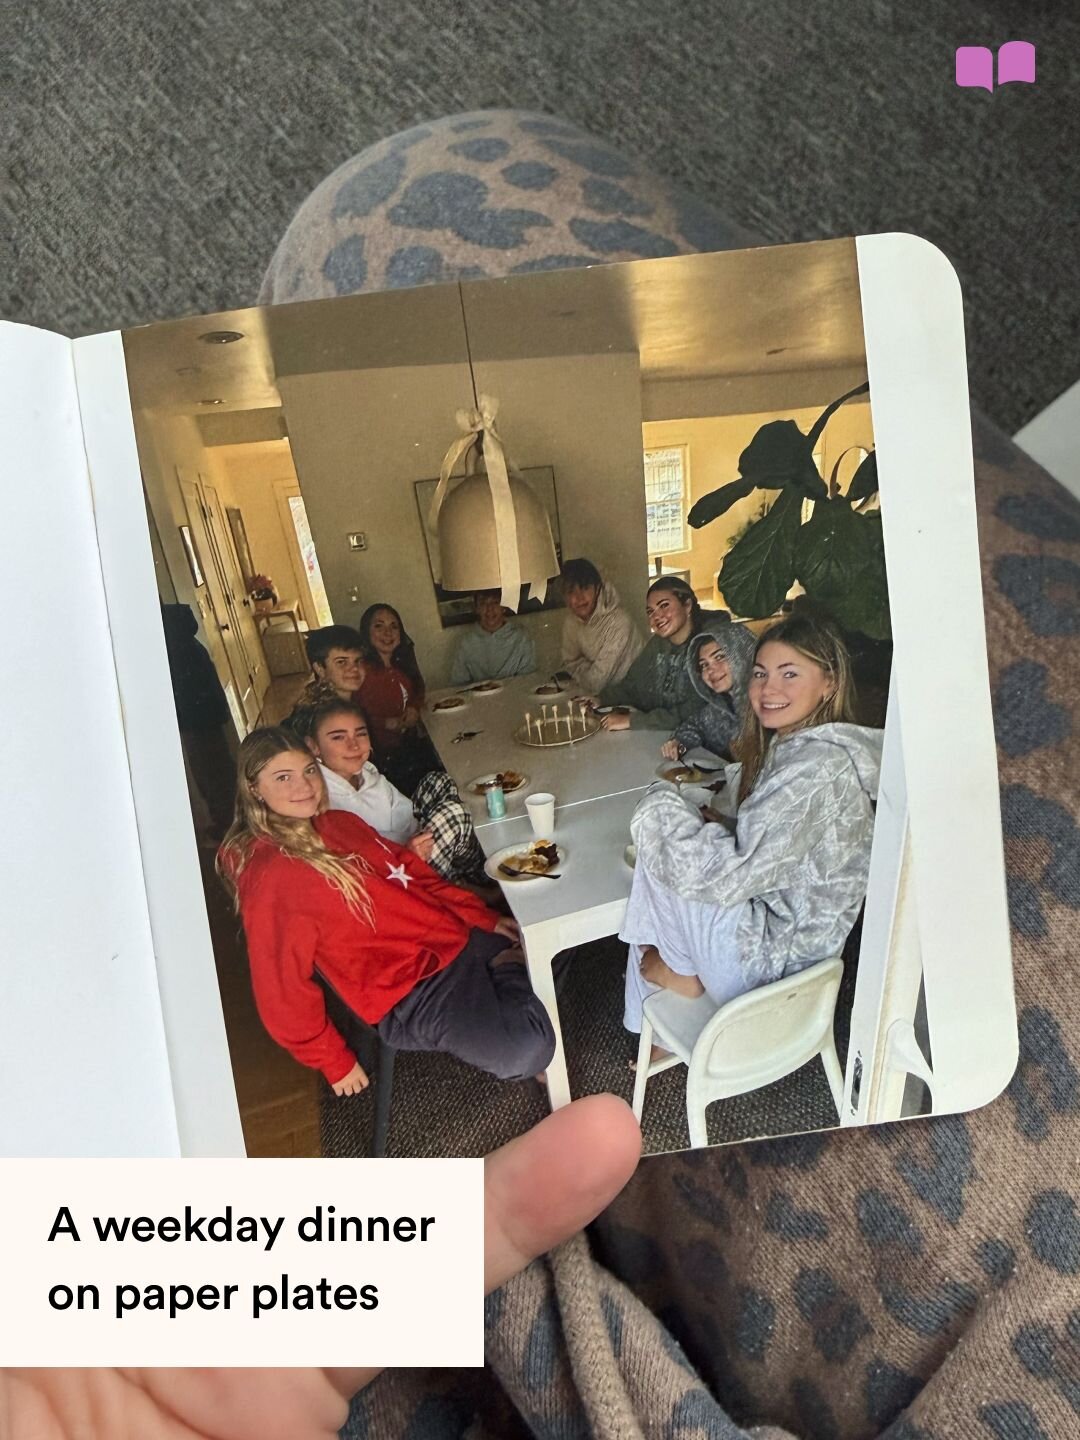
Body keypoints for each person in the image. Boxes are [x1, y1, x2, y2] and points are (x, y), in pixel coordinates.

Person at [216, 728, 555, 1093]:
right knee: (529, 1049)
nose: (305, 785)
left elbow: (416, 877)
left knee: (554, 933)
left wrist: (481, 917)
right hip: (408, 991)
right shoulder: (272, 875)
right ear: (254, 788)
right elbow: (280, 989)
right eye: (283, 777)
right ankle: (511, 972)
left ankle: (510, 978)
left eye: (309, 770)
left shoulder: (338, 823)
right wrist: (332, 1058)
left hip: (452, 940)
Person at [622, 614, 881, 1037]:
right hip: (785, 946)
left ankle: (672, 980)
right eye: (760, 674)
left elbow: (729, 876)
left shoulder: (817, 768)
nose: (768, 688)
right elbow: (776, 845)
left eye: (789, 674)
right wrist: (715, 821)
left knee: (663, 844)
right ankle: (672, 977)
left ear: (829, 682)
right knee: (671, 847)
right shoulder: (803, 748)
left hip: (770, 971)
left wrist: (657, 807)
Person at [304, 698, 486, 885]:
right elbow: (361, 858)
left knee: (439, 781)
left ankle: (465, 875)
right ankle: (465, 884)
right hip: (395, 868)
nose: (354, 745)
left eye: (360, 734)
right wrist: (405, 854)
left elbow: (404, 810)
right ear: (313, 746)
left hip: (409, 839)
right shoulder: (322, 796)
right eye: (338, 737)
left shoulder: (365, 770)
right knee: (453, 814)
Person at [587, 576, 725, 732]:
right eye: (650, 612)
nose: (656, 616)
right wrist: (601, 699)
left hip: (705, 745)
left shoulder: (709, 646)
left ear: (687, 605)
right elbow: (632, 685)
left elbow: (697, 709)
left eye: (664, 606)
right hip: (665, 737)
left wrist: (634, 721)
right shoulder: (657, 643)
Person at [159, 602, 236, 839]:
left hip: (196, 722)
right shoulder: (192, 647)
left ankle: (227, 823)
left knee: (210, 773)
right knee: (217, 770)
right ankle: (227, 818)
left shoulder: (177, 654)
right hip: (206, 718)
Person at [354, 603, 440, 796]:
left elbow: (419, 687)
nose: (387, 632)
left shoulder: (400, 662)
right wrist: (384, 723)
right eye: (379, 626)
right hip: (384, 758)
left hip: (408, 747)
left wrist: (413, 708)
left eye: (394, 626)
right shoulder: (362, 671)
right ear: (367, 632)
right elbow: (358, 712)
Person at [659, 622, 757, 763]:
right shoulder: (718, 707)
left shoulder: (769, 705)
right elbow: (695, 725)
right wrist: (679, 743)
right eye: (704, 665)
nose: (711, 670)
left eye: (719, 657)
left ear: (742, 654)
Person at [557, 556, 642, 693]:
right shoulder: (571, 622)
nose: (579, 598)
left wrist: (583, 669)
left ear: (598, 589)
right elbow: (569, 664)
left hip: (634, 698)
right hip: (602, 697)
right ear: (565, 597)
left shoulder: (619, 622)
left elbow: (596, 682)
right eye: (571, 591)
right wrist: (589, 669)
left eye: (585, 588)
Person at [286, 624, 367, 734]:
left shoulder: (354, 702)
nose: (354, 668)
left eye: (358, 661)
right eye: (341, 662)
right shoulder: (319, 716)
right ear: (319, 669)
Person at [450, 589, 536, 685]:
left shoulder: (521, 637)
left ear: (504, 607)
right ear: (477, 609)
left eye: (495, 602)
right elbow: (459, 683)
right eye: (483, 603)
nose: (489, 608)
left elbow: (529, 679)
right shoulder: (466, 642)